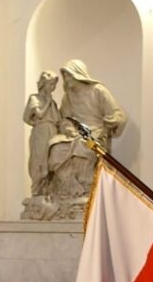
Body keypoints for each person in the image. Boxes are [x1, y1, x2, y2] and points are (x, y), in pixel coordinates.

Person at [45, 59, 127, 200]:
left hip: (95, 133)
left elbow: (117, 113)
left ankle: (86, 188)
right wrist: (68, 128)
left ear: (78, 74)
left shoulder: (98, 91)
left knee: (85, 146)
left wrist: (112, 120)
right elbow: (64, 118)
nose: (66, 79)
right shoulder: (68, 96)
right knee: (56, 148)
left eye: (69, 75)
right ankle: (65, 187)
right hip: (74, 134)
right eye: (65, 76)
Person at [22, 71, 61, 197]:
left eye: (54, 85)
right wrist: (48, 103)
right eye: (51, 84)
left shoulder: (53, 103)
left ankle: (48, 191)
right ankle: (36, 191)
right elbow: (38, 115)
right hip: (41, 132)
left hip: (52, 131)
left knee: (50, 161)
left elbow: (57, 119)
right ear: (44, 83)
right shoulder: (34, 98)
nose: (53, 88)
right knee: (39, 159)